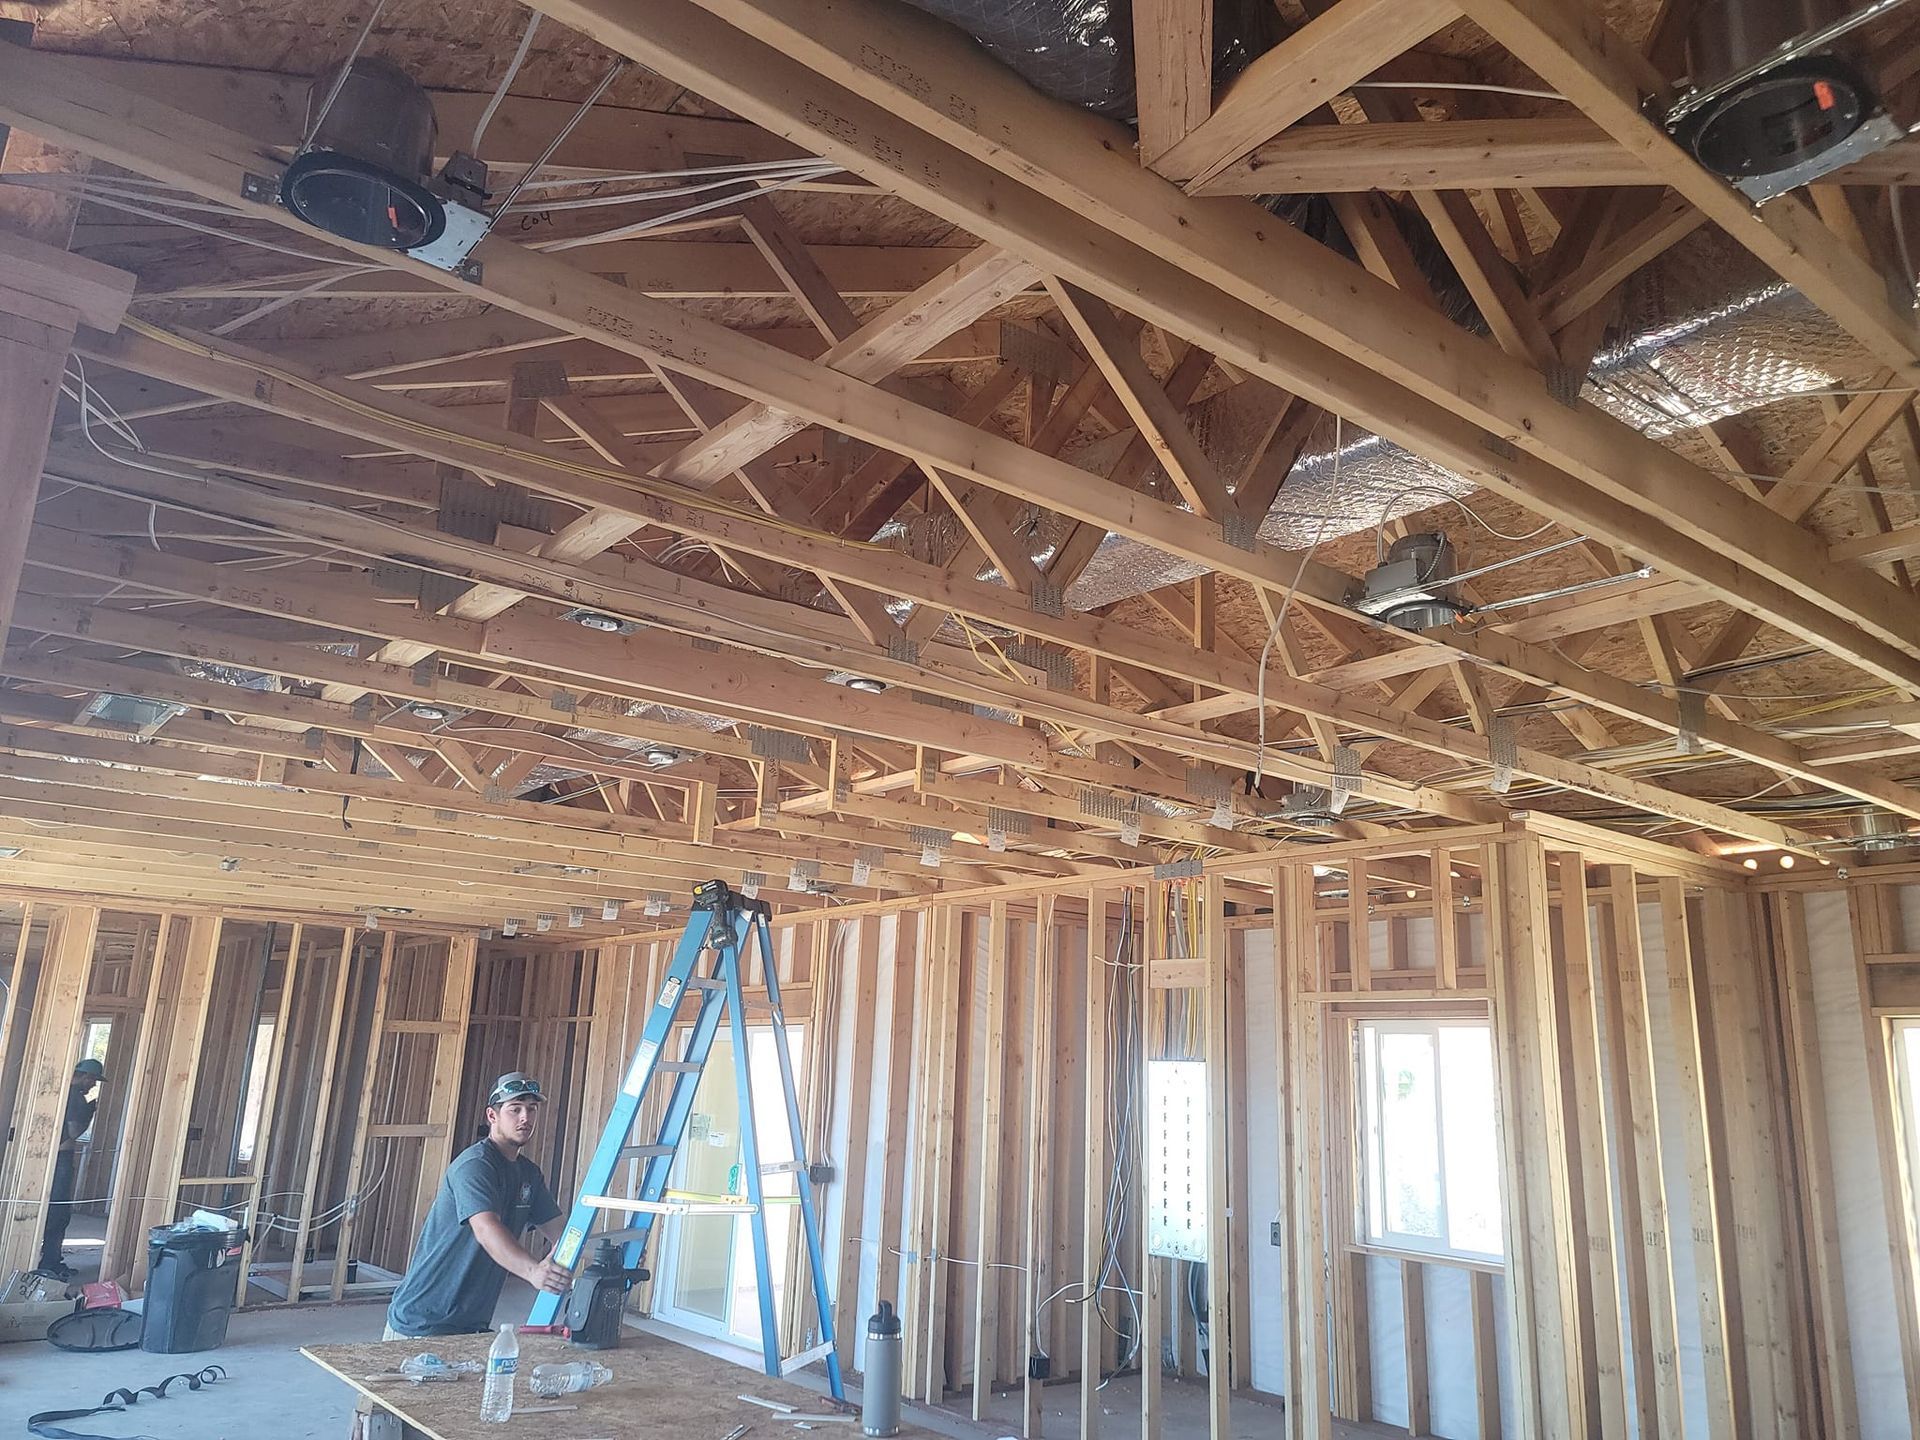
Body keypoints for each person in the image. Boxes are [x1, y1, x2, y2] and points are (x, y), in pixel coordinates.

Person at [384, 1072, 571, 1338]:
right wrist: (533, 1272)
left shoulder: (529, 1174)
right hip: (423, 1321)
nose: (525, 1118)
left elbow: (562, 1232)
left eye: (531, 1109)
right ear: (492, 1116)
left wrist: (608, 1255)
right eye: (514, 1110)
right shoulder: (475, 1166)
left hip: (472, 1325)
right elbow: (485, 1229)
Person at [37, 1057, 104, 1279]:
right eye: (93, 1080)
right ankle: (50, 1262)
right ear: (85, 1077)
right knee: (59, 1212)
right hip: (62, 1158)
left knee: (52, 1210)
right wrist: (90, 1111)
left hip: (47, 1157)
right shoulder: (76, 1098)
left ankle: (47, 1259)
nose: (93, 1085)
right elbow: (75, 1131)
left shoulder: (62, 1092)